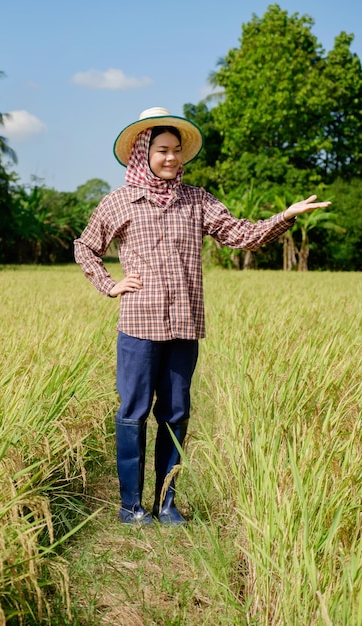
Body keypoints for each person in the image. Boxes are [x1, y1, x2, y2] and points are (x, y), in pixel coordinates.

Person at [74, 106, 331, 526]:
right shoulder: (120, 201)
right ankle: (130, 507)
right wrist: (110, 283)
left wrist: (285, 216)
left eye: (177, 150)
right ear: (144, 152)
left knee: (175, 413)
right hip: (139, 326)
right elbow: (86, 247)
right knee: (134, 411)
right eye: (162, 150)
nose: (171, 158)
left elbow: (241, 235)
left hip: (185, 326)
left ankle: (167, 503)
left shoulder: (198, 200)